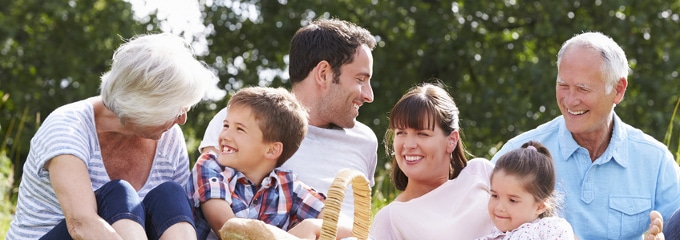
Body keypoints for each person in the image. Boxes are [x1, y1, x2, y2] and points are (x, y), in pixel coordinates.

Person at [7, 33, 213, 239]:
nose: (183, 119)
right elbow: (81, 225)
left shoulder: (169, 137)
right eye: (176, 111)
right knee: (118, 194)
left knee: (171, 194)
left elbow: (175, 217)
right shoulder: (68, 127)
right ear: (144, 106)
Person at [491, 31, 680, 239]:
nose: (570, 100)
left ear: (618, 90)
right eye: (563, 86)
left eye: (583, 89)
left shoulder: (655, 160)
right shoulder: (516, 154)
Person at [198, 18, 378, 219]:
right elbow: (212, 196)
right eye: (360, 80)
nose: (369, 95)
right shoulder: (238, 120)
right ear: (324, 73)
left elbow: (359, 222)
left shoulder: (365, 141)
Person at [185, 86, 328, 240]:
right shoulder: (211, 166)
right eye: (226, 125)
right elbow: (228, 228)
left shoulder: (288, 186)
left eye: (239, 129)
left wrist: (312, 226)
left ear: (272, 150)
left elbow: (341, 223)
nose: (225, 135)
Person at [369, 82, 495, 240]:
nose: (409, 145)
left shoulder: (480, 173)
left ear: (452, 140)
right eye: (401, 133)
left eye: (422, 134)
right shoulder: (390, 219)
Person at [476, 141, 574, 240]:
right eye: (494, 196)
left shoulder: (551, 229)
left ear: (540, 206)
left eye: (512, 200)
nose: (499, 207)